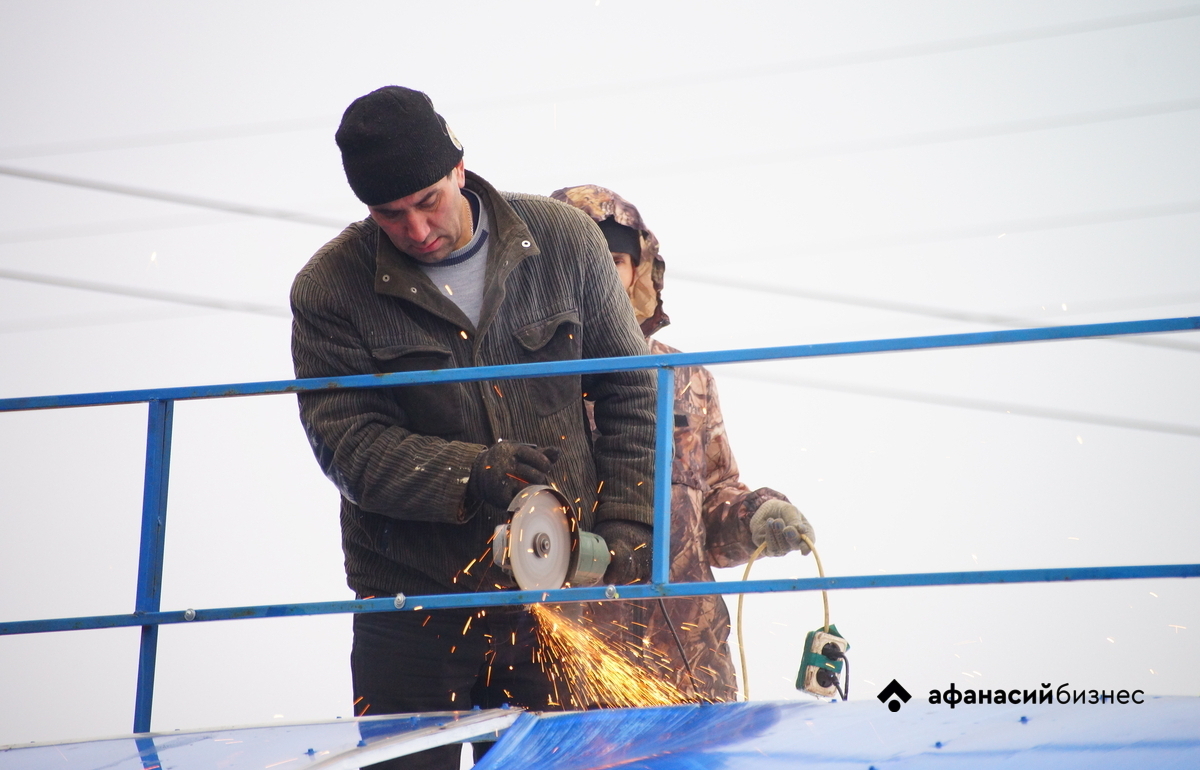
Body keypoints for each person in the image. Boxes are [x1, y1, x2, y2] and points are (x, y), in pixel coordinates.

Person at [290, 87, 657, 769]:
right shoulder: (329, 290)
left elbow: (632, 388)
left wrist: (631, 526)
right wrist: (470, 474)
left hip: (547, 589)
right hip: (409, 605)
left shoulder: (566, 241)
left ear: (459, 168)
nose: (418, 229)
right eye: (391, 215)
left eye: (428, 201)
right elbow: (350, 445)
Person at [551, 184, 815, 703]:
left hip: (690, 671)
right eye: (585, 259)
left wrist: (757, 515)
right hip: (566, 670)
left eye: (617, 259)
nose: (604, 274)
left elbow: (710, 514)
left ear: (637, 272)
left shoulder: (684, 374)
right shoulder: (513, 378)